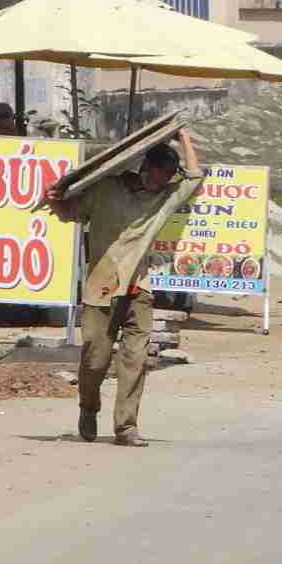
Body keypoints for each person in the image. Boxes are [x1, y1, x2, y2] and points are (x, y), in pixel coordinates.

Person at [45, 132, 202, 447]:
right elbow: (67, 212)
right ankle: (88, 408)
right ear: (147, 167)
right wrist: (54, 199)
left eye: (172, 175)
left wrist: (183, 136)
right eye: (163, 173)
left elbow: (195, 177)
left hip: (138, 289)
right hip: (101, 289)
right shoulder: (106, 189)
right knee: (95, 360)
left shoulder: (164, 198)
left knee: (135, 359)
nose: (167, 180)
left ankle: (126, 427)